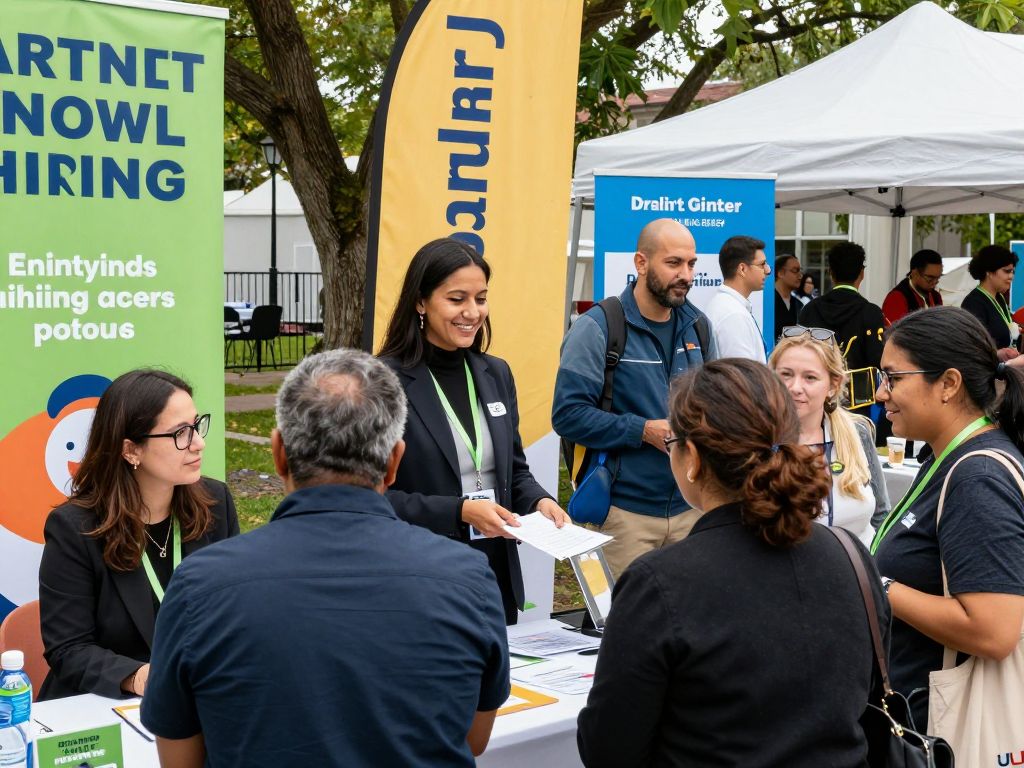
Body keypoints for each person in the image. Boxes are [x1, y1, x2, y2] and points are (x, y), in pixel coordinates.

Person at [141, 350, 510, 767]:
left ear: (278, 453)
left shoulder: (199, 585)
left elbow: (178, 759)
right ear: (394, 463)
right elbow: (475, 738)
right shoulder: (468, 578)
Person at [577, 359, 889, 767]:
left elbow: (610, 748)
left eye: (673, 444)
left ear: (693, 459)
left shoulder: (660, 582)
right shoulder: (849, 553)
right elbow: (866, 697)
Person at [377, 238, 568, 625]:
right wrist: (459, 512)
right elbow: (375, 499)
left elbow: (513, 471)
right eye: (456, 299)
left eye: (480, 299)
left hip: (493, 578)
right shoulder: (382, 380)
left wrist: (538, 502)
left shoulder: (495, 373)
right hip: (422, 582)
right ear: (420, 302)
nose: (471, 312)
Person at [37, 370, 238, 700]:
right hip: (103, 706)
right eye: (181, 433)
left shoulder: (216, 504)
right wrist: (140, 677)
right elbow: (68, 649)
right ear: (131, 450)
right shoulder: (75, 527)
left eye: (196, 425)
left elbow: (233, 613)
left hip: (199, 697)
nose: (198, 443)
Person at [871, 306, 1024, 730]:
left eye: (893, 378)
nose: (882, 394)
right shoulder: (947, 456)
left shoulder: (977, 475)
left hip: (946, 728)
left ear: (949, 384)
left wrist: (874, 582)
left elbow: (994, 631)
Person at [553, 218, 717, 578]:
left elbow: (717, 408)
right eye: (673, 263)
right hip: (624, 517)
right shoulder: (598, 327)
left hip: (693, 510)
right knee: (625, 630)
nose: (686, 275)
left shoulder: (699, 327)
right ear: (641, 263)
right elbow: (567, 416)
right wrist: (642, 430)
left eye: (691, 264)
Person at [769, 326, 890, 545]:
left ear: (833, 385)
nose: (795, 387)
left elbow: (881, 516)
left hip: (858, 571)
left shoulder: (857, 432)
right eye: (786, 374)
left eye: (810, 377)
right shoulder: (759, 440)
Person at [799, 241, 886, 373]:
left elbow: (800, 356)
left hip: (816, 389)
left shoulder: (809, 309)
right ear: (862, 273)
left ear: (830, 273)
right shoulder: (871, 313)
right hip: (857, 392)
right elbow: (877, 363)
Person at [704, 234, 770, 362]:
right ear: (742, 269)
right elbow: (741, 377)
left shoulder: (729, 307)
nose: (767, 270)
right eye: (762, 265)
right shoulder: (733, 315)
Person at [960, 244, 1020, 360]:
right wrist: (997, 354)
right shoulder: (973, 303)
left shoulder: (999, 298)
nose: (1011, 276)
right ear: (989, 272)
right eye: (1007, 271)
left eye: (1013, 272)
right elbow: (971, 347)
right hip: (986, 375)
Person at [882, 248, 943, 325]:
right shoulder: (897, 297)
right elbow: (894, 333)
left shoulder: (936, 296)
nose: (934, 283)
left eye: (938, 278)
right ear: (915, 273)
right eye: (930, 278)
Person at [774, 253, 802, 339]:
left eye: (800, 271)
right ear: (780, 273)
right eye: (795, 270)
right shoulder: (767, 303)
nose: (800, 276)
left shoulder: (799, 305)